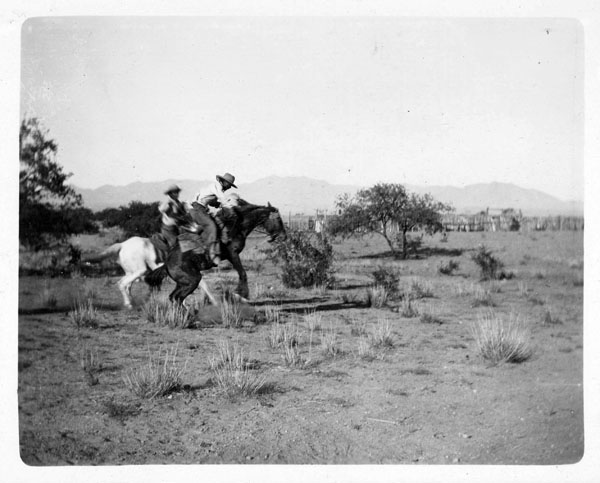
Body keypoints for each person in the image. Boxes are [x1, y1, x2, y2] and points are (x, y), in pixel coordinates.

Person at [190, 173, 238, 266]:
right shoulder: (217, 186)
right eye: (229, 184)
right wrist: (230, 208)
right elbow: (222, 198)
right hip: (198, 208)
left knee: (218, 224)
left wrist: (218, 204)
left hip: (202, 208)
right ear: (224, 182)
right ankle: (212, 254)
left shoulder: (216, 188)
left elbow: (212, 202)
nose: (229, 187)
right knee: (211, 226)